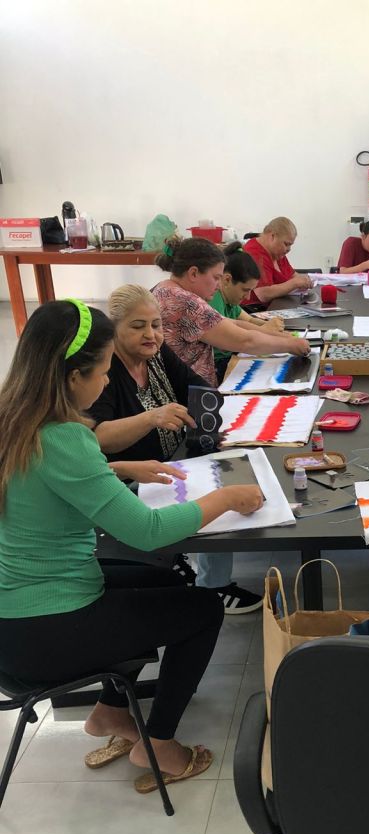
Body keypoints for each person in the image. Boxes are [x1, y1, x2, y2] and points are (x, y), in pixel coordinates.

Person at [0, 300, 265, 789]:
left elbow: (43, 481)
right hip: (43, 629)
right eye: (103, 372)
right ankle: (158, 743)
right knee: (204, 609)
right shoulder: (67, 438)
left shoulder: (13, 418)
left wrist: (116, 469)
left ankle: (110, 712)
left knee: (164, 581)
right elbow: (148, 531)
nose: (106, 383)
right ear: (74, 376)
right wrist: (226, 498)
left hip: (14, 617)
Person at [90, 285, 263, 614]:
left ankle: (194, 569)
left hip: (170, 463)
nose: (150, 334)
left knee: (221, 467)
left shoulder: (156, 355)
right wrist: (151, 417)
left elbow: (196, 388)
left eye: (156, 325)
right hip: (133, 480)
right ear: (114, 329)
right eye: (138, 326)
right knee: (216, 494)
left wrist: (208, 420)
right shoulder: (105, 371)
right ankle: (212, 587)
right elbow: (97, 437)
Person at [153, 237, 309, 387]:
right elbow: (245, 341)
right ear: (193, 273)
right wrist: (289, 345)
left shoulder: (165, 288)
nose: (218, 285)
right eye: (216, 278)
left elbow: (230, 323)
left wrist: (284, 337)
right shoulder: (187, 303)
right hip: (191, 395)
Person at [209, 242, 286, 384]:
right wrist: (269, 331)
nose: (248, 297)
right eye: (245, 290)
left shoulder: (230, 299)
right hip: (218, 367)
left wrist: (271, 325)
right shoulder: (215, 299)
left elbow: (249, 320)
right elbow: (236, 338)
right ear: (227, 280)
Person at [242, 217, 313, 304]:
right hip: (257, 308)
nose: (289, 249)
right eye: (286, 244)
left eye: (290, 245)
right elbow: (262, 294)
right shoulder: (255, 254)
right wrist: (294, 283)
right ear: (272, 236)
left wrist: (305, 281)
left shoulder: (277, 253)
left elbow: (293, 275)